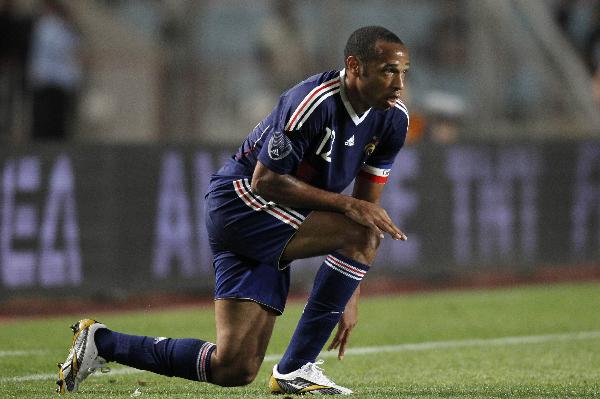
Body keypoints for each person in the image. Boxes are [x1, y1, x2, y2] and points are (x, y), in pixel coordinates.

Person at [56, 26, 410, 396]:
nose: (399, 83)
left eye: (404, 72)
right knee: (364, 233)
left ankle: (100, 342)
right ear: (354, 66)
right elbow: (266, 181)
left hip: (274, 216)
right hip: (243, 204)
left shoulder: (393, 120)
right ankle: (298, 369)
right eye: (388, 70)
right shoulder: (313, 102)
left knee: (234, 366)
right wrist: (347, 205)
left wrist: (347, 295)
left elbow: (367, 208)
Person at [27, 0, 83, 141]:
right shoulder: (48, 27)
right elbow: (60, 50)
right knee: (46, 122)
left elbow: (72, 51)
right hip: (49, 79)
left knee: (54, 123)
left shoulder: (61, 28)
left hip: (56, 80)